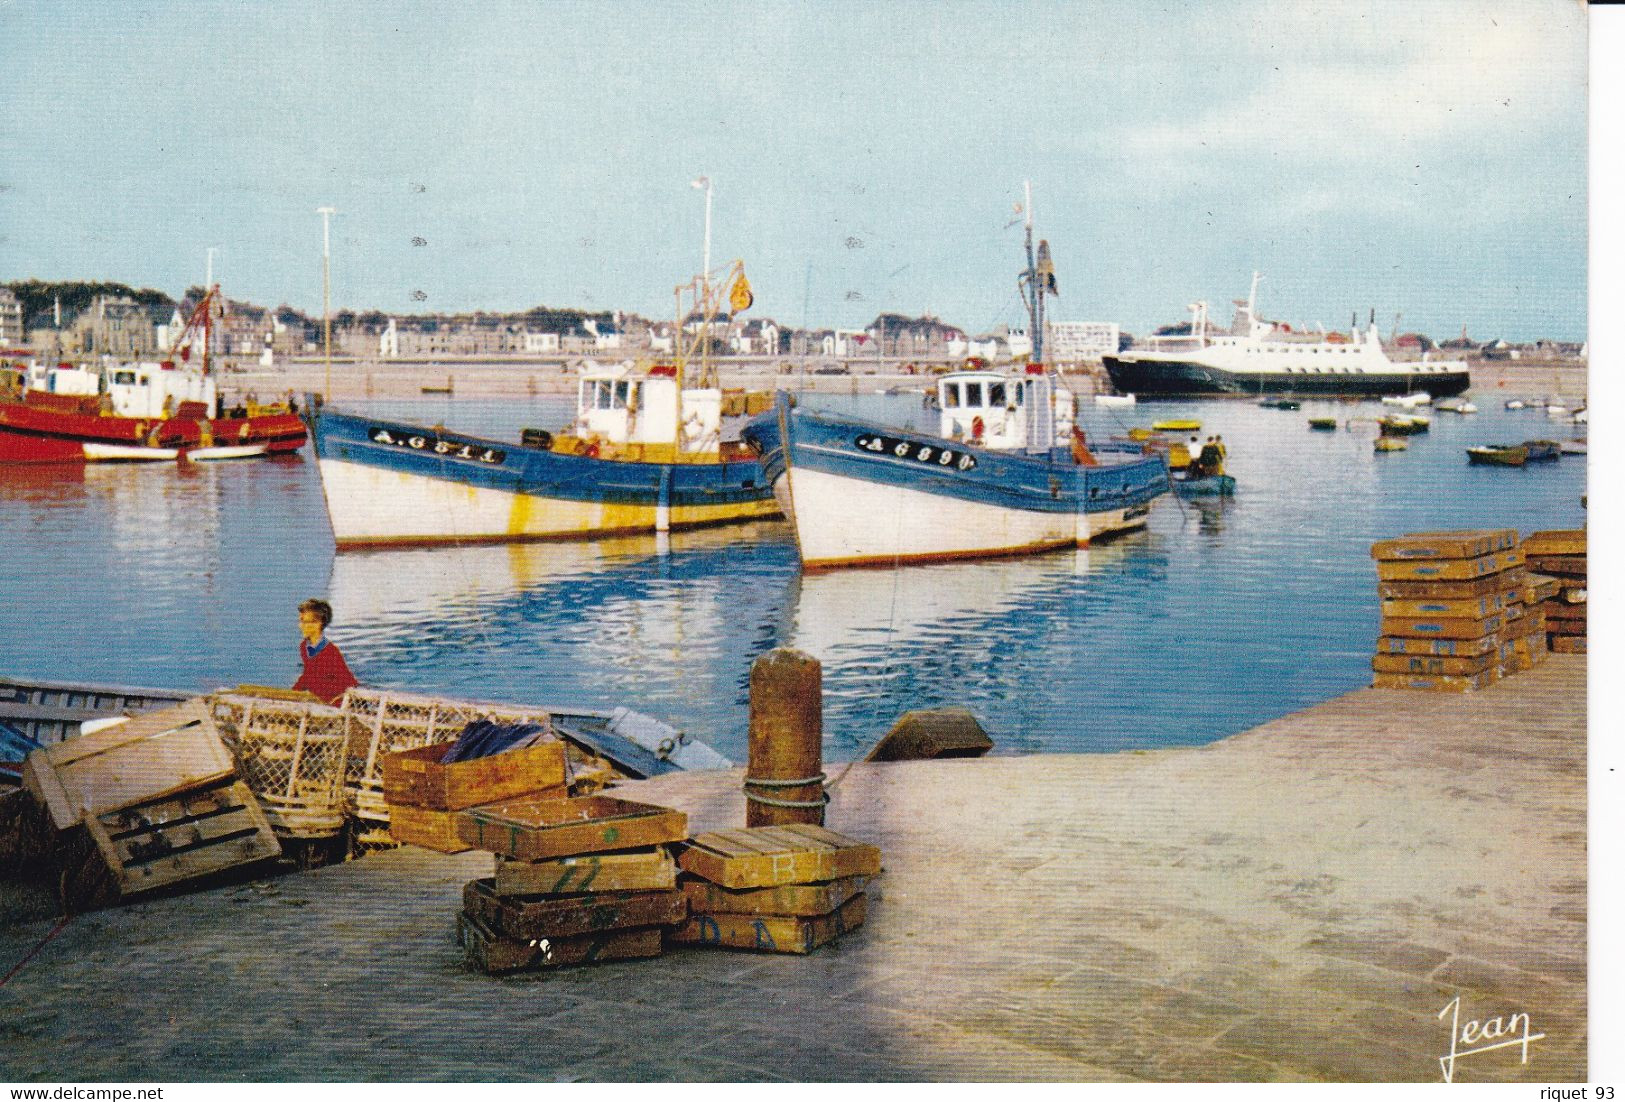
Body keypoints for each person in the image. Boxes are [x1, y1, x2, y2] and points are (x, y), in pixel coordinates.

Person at [293, 598, 359, 706]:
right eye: (300, 621)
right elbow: (308, 675)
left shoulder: (330, 652)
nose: (300, 626)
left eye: (305, 622)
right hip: (319, 701)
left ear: (318, 624)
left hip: (338, 703)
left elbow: (346, 683)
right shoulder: (304, 646)